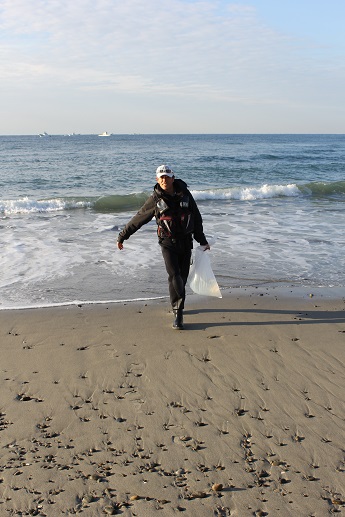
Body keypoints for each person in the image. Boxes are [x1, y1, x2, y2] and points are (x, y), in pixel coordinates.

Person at [117, 164, 210, 329]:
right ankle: (178, 312)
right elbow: (139, 218)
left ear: (173, 178)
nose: (164, 180)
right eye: (161, 177)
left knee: (181, 276)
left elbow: (196, 218)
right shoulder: (155, 199)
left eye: (167, 177)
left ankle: (178, 303)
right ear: (157, 179)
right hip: (167, 243)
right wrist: (123, 235)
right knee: (174, 275)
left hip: (185, 242)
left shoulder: (185, 195)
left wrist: (201, 240)